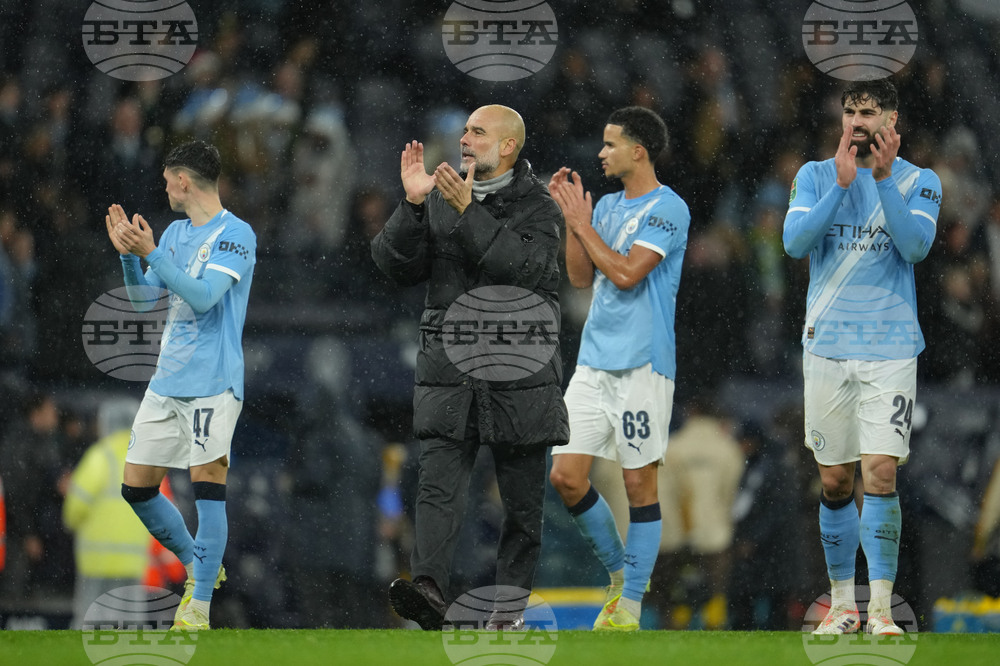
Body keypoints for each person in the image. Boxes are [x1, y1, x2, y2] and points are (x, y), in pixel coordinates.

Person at [371, 104, 569, 631]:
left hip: (520, 370)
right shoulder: (438, 198)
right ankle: (430, 590)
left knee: (523, 508)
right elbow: (393, 267)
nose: (464, 138)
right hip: (450, 370)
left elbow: (524, 273)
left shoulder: (541, 208)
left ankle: (507, 611)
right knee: (436, 486)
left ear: (507, 146)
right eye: (463, 130)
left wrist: (466, 214)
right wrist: (412, 207)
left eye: (477, 132)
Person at [783, 79, 941, 636]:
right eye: (849, 110)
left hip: (890, 349)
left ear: (890, 119)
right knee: (832, 482)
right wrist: (839, 188)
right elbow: (794, 244)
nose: (855, 120)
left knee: (879, 474)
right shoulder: (814, 174)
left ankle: (880, 611)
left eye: (867, 111)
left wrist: (881, 181)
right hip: (826, 345)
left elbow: (915, 247)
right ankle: (842, 605)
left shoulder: (920, 180)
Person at [547, 106, 691, 631]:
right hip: (593, 362)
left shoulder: (669, 209)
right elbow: (582, 278)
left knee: (637, 488)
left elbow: (628, 274)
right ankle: (619, 574)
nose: (602, 153)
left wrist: (586, 226)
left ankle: (629, 606)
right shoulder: (604, 206)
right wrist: (573, 225)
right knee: (565, 476)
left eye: (611, 145)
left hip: (643, 365)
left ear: (639, 150)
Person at [104, 140, 257, 631]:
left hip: (213, 382)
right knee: (136, 488)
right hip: (167, 380)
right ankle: (200, 568)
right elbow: (145, 300)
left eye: (168, 178)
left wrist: (152, 252)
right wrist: (132, 256)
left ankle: (198, 610)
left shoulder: (236, 234)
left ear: (183, 180)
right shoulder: (172, 234)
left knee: (208, 490)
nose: (164, 187)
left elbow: (206, 297)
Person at [62, 397, 148, 629]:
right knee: (130, 625)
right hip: (132, 560)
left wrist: (71, 523)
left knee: (89, 622)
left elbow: (75, 507)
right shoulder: (142, 461)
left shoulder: (100, 457)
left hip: (97, 560)